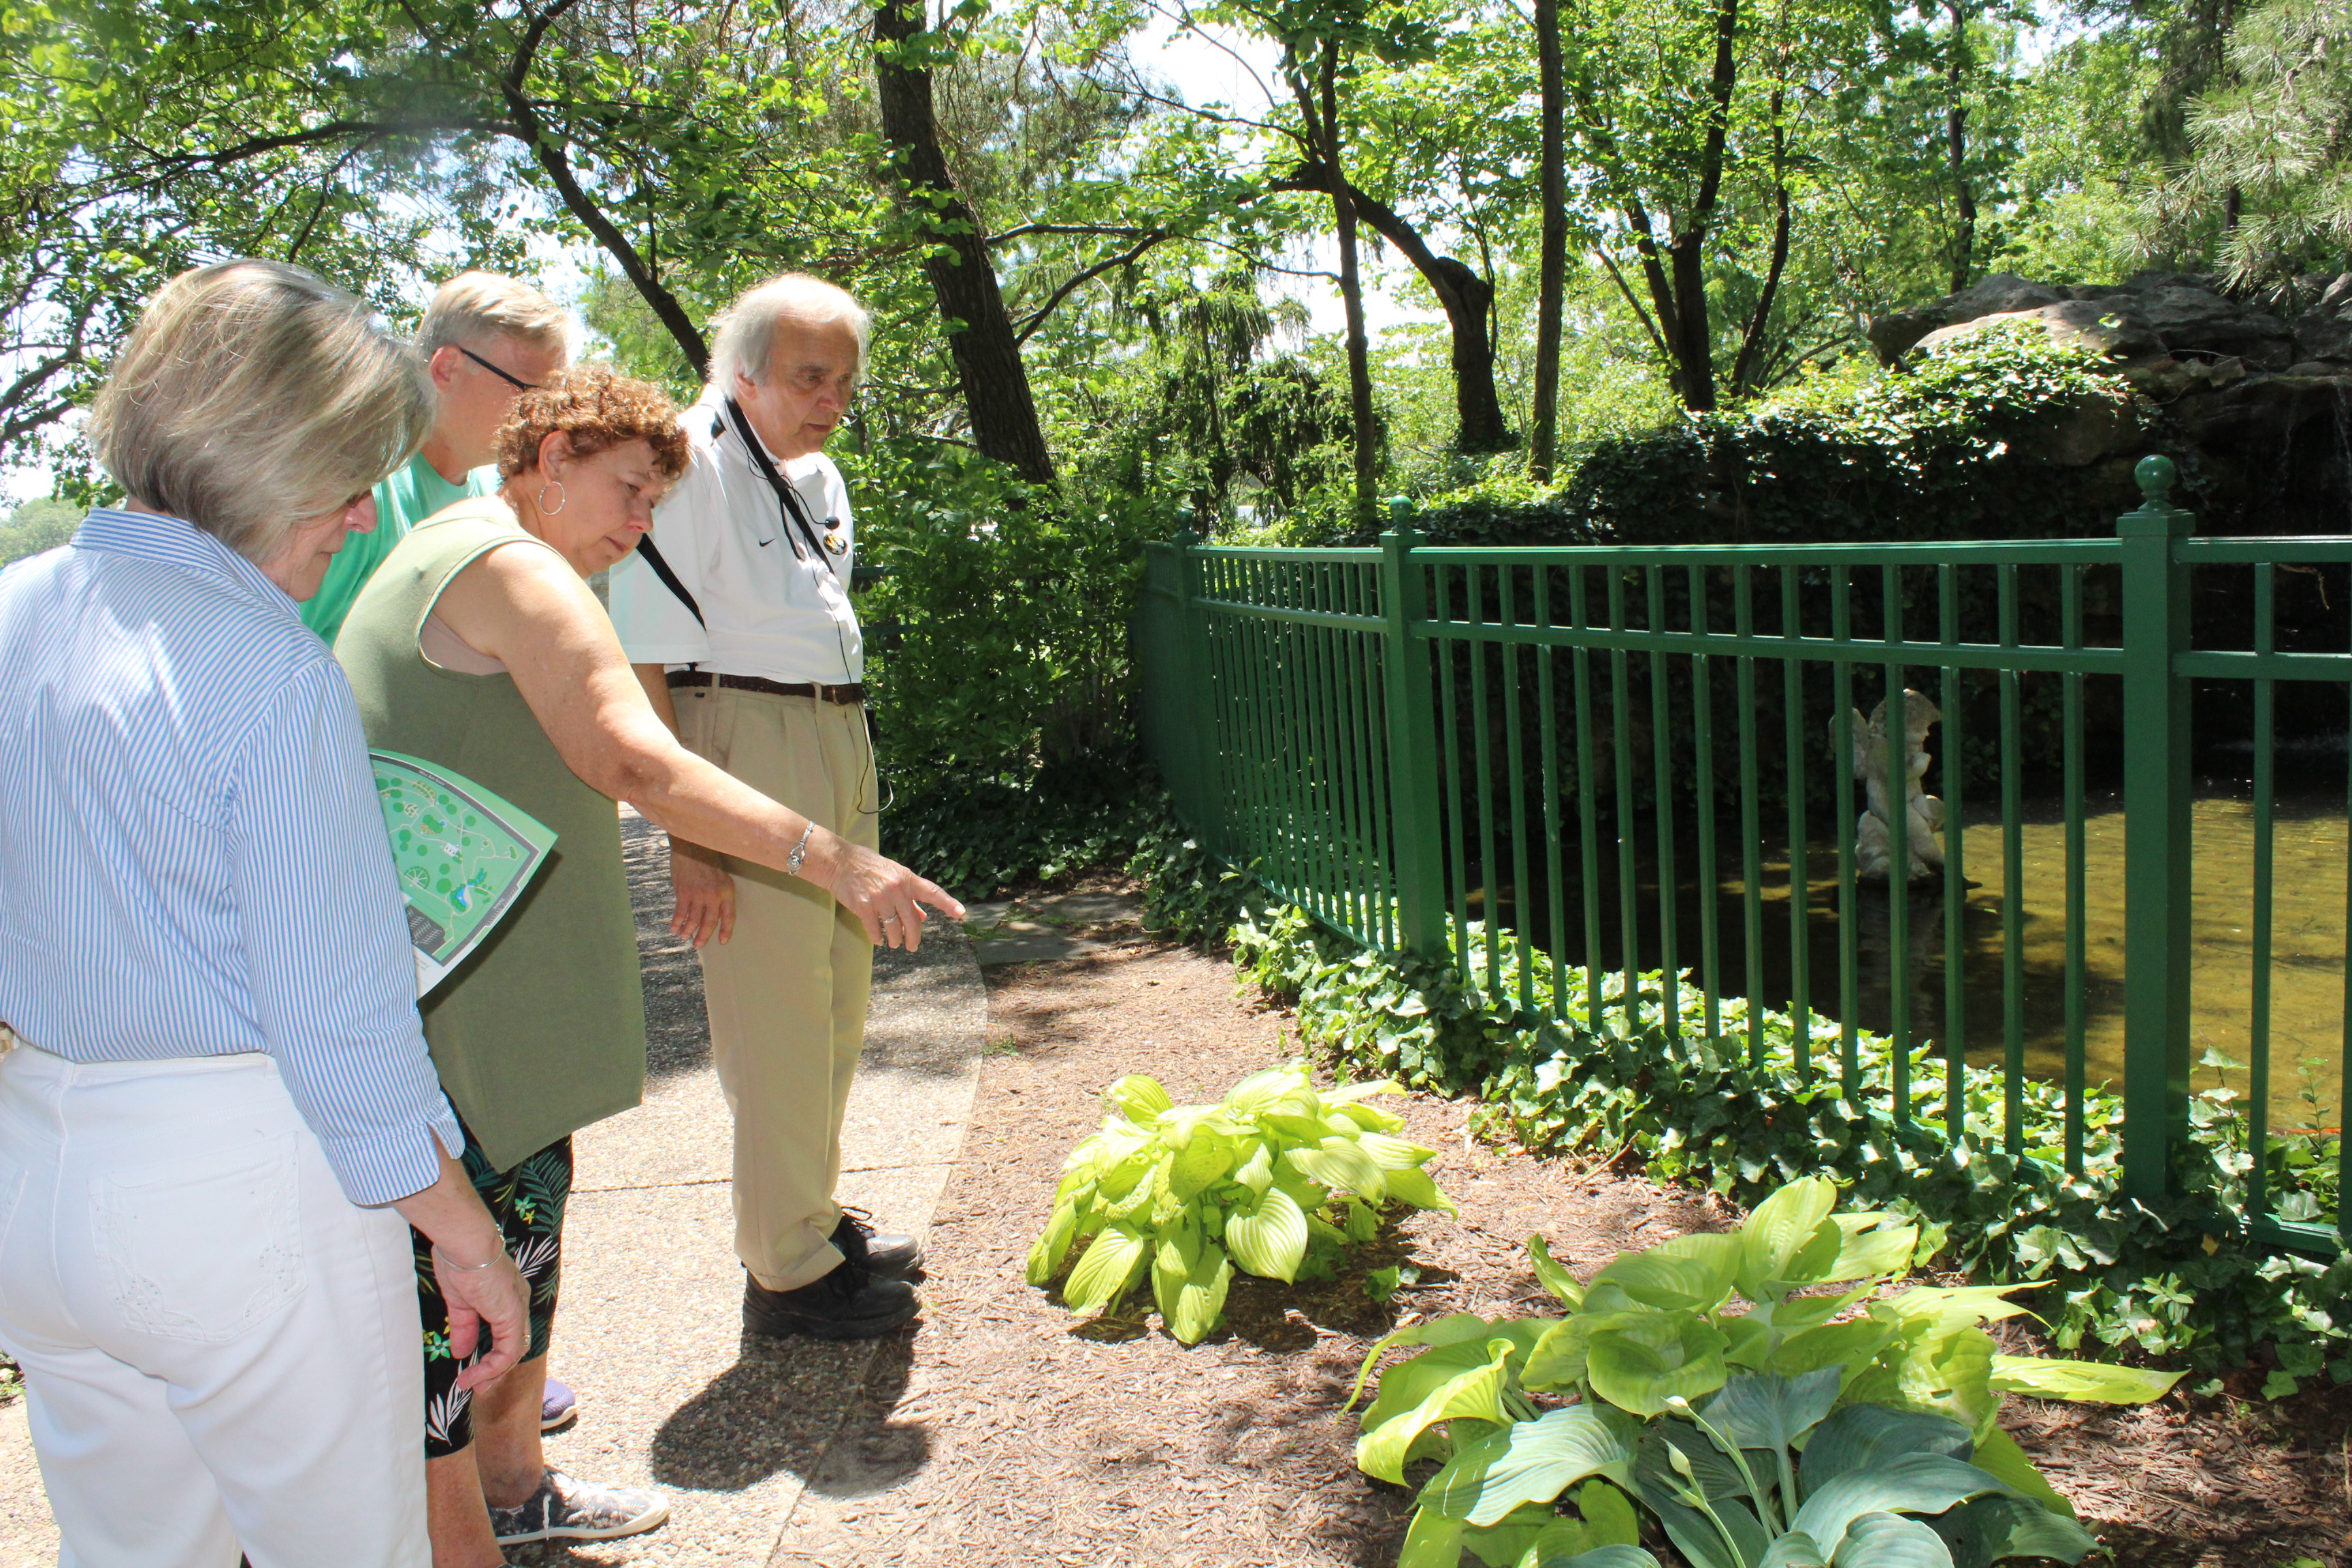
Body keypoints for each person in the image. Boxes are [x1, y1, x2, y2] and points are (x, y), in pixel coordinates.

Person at [334, 362, 961, 1568]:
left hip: (453, 994)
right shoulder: (508, 563)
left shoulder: (451, 549)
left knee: (512, 1255)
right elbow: (631, 751)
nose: (638, 523)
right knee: (465, 1297)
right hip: (465, 1019)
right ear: (552, 455)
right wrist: (830, 855)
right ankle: (465, 1531)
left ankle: (515, 1489)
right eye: (627, 490)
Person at [0, 259, 529, 1568]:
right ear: (269, 464)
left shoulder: (15, 614)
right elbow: (338, 1026)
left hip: (38, 1176)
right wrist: (469, 1241)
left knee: (131, 1547)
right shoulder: (266, 669)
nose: (360, 519)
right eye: (349, 482)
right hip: (235, 1186)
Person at [608, 274, 933, 1341]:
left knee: (836, 1006)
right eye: (808, 375)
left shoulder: (820, 474)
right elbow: (649, 659)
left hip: (836, 733)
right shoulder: (689, 466)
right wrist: (689, 844)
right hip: (742, 740)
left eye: (844, 377)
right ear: (740, 370)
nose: (832, 396)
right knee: (774, 1018)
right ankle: (785, 1274)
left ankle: (813, 1215)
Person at [299, 271, 569, 647]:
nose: (544, 414)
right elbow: (275, 645)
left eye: (553, 397)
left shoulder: (491, 494)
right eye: (528, 390)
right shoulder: (361, 490)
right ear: (447, 369)